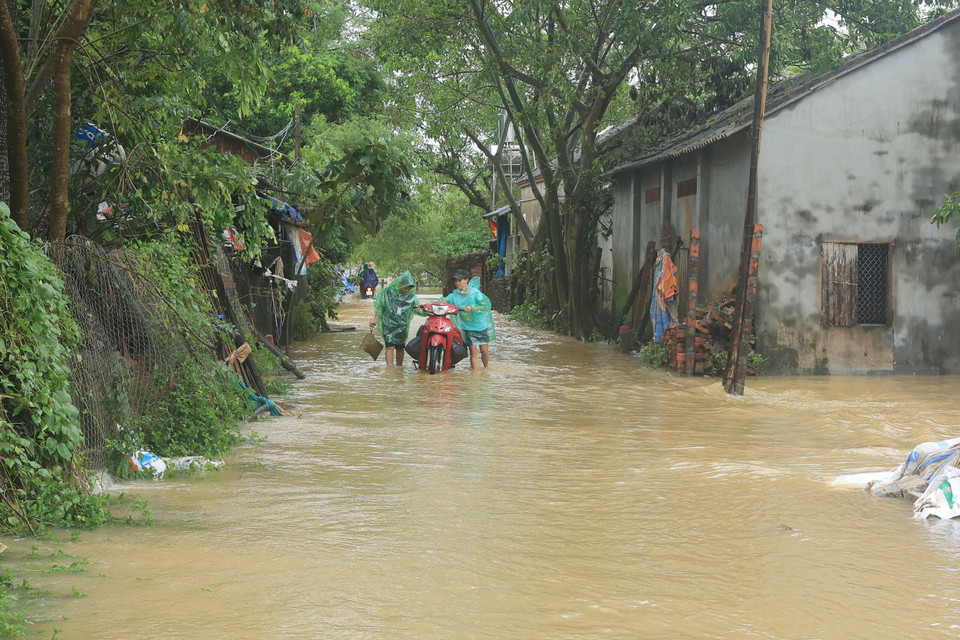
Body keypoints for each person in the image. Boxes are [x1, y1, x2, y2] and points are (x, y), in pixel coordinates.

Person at [442, 270, 496, 369]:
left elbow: (484, 306)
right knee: (473, 352)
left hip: (480, 326)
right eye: (456, 281)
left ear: (466, 280)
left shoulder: (475, 293)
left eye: (459, 280)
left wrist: (472, 308)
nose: (457, 283)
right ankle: (475, 378)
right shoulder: (454, 295)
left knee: (484, 351)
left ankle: (486, 370)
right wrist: (426, 305)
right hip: (467, 327)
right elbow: (442, 301)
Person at [370, 271, 417, 367]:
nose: (406, 290)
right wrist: (375, 320)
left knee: (400, 348)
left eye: (409, 288)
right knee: (390, 347)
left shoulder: (411, 296)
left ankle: (399, 368)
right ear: (400, 283)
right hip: (389, 324)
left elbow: (415, 308)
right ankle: (390, 369)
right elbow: (380, 307)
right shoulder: (387, 292)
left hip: (402, 325)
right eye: (405, 287)